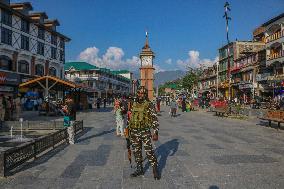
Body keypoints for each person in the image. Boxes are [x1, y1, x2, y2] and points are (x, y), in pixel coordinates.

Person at [128, 86, 160, 180]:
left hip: (145, 132)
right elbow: (130, 117)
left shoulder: (149, 104)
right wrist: (127, 131)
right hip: (134, 131)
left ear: (145, 94)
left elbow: (154, 118)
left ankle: (155, 169)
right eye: (139, 93)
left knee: (149, 151)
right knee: (136, 151)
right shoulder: (133, 103)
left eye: (142, 93)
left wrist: (155, 132)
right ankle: (139, 169)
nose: (140, 95)